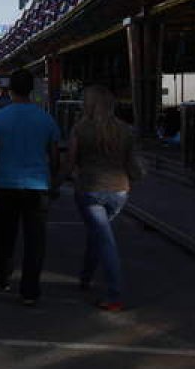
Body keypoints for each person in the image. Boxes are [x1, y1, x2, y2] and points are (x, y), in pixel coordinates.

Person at [0, 69, 61, 306]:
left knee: (5, 236)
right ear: (32, 90)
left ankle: (1, 277)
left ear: (10, 90)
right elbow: (55, 155)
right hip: (37, 186)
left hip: (6, 183)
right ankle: (30, 290)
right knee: (35, 240)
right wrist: (53, 180)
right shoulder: (46, 118)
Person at [64, 85, 140, 312]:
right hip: (119, 192)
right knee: (98, 234)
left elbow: (69, 163)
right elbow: (132, 164)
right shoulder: (125, 130)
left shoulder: (80, 129)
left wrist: (55, 183)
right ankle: (86, 277)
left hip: (90, 191)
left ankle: (114, 295)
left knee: (105, 241)